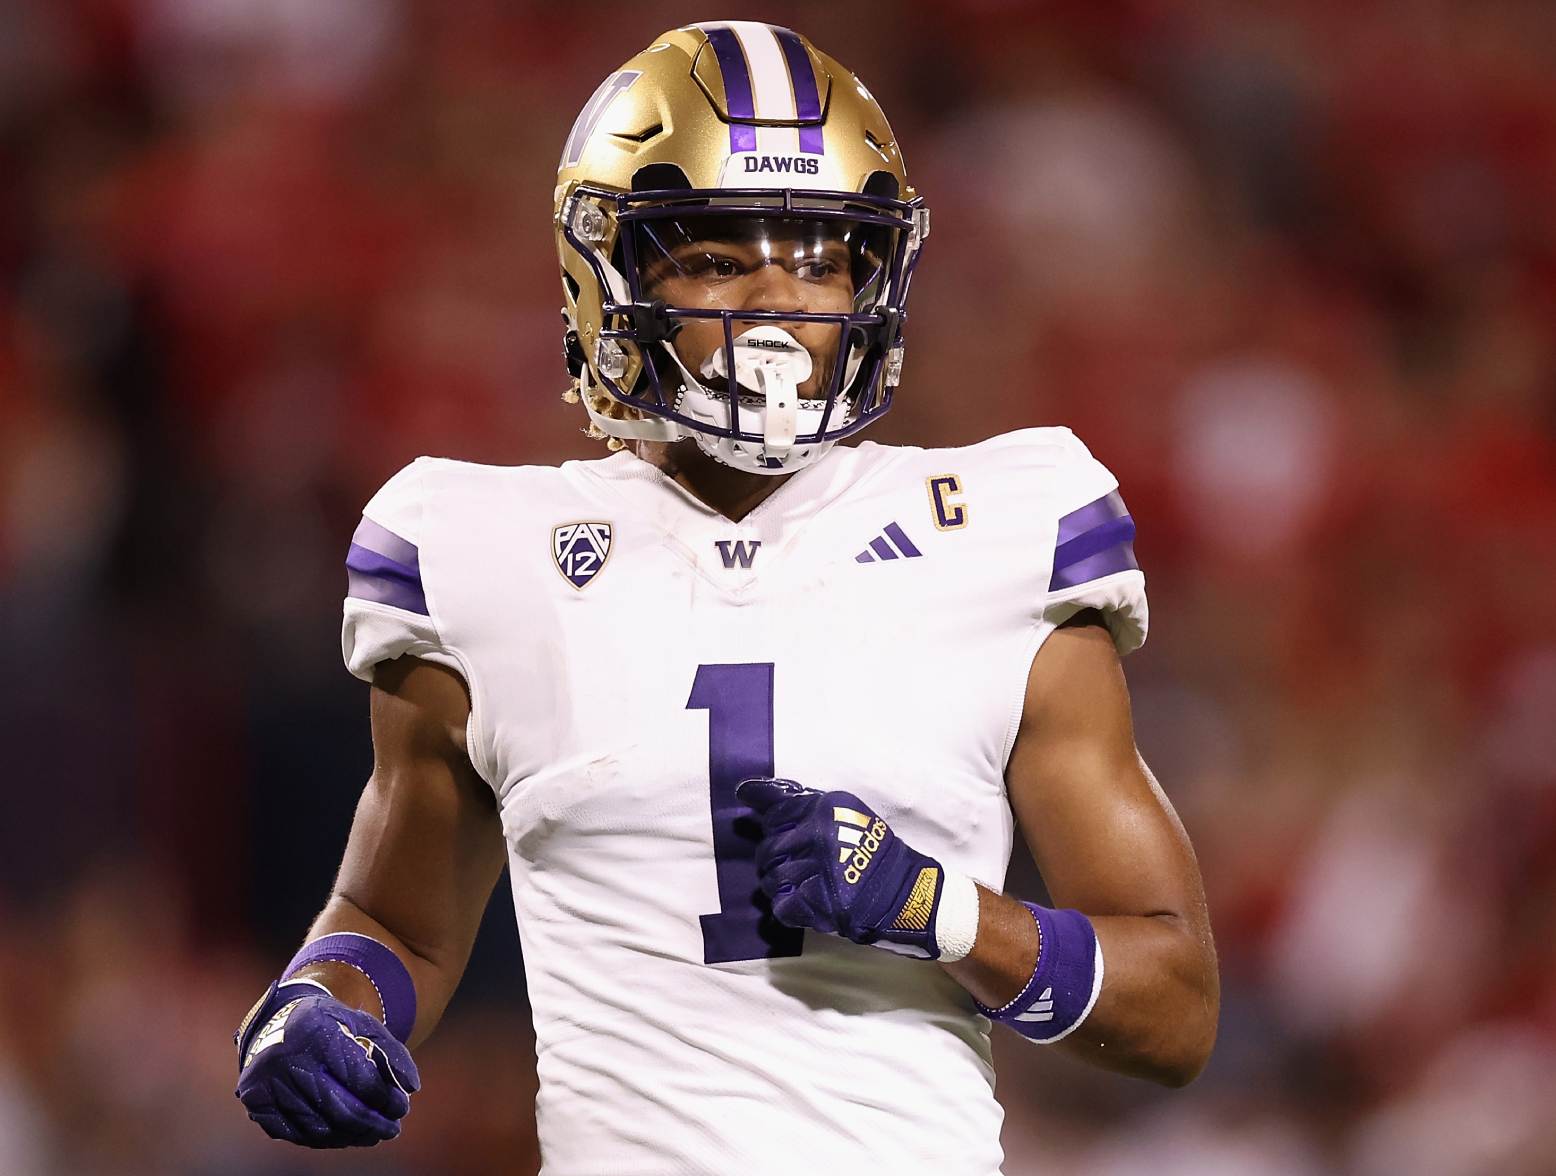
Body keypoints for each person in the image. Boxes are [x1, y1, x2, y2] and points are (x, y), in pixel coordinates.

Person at [233, 20, 1219, 1173]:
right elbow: (394, 924)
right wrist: (321, 1004)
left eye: (818, 257)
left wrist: (940, 912)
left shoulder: (1000, 531)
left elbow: (1174, 1006)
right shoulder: (478, 549)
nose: (776, 300)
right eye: (713, 258)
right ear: (609, 272)